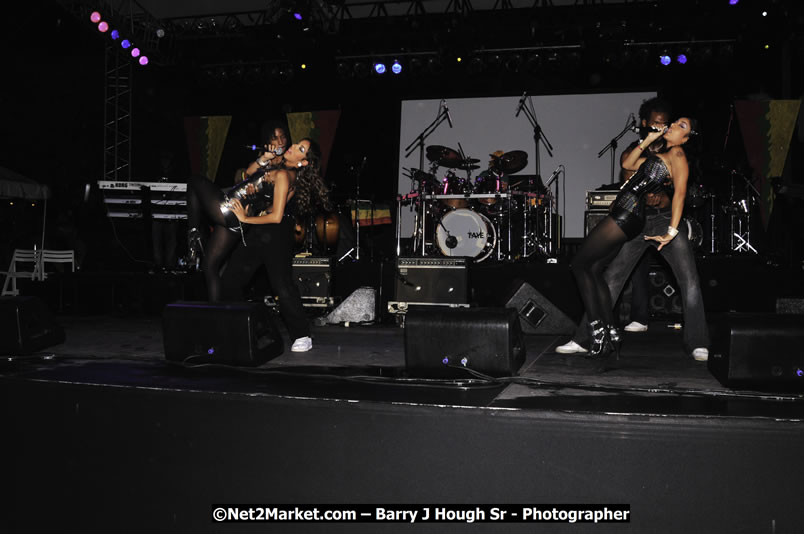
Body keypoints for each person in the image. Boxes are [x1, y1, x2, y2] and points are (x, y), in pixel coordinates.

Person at [565, 116, 705, 359]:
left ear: (687, 138)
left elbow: (680, 194)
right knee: (612, 276)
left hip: (664, 219)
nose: (672, 126)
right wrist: (649, 138)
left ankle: (697, 342)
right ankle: (586, 338)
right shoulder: (659, 153)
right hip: (639, 219)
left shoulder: (679, 155)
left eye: (682, 126)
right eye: (674, 123)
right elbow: (628, 164)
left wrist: (671, 232)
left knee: (689, 280)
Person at [221, 139, 331, 353]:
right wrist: (264, 159)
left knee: (281, 285)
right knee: (231, 281)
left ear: (304, 162)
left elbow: (277, 217)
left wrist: (245, 219)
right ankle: (248, 327)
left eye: (301, 149)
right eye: (297, 143)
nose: (293, 147)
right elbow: (248, 174)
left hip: (276, 232)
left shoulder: (285, 174)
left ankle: (302, 334)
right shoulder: (278, 165)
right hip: (260, 229)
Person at [185, 123, 291, 300]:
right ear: (268, 141)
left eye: (283, 137)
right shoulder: (267, 159)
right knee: (209, 266)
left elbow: (274, 206)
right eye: (275, 137)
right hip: (236, 220)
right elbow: (246, 173)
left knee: (194, 181)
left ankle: (193, 236)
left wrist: (255, 199)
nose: (280, 141)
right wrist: (264, 158)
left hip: (233, 209)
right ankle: (216, 315)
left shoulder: (287, 171)